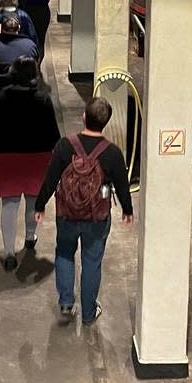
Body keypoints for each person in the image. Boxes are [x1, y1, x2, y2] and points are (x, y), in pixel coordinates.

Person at [35, 98, 133, 325]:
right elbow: (121, 184)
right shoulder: (112, 153)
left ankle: (67, 302)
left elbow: (50, 179)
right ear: (105, 123)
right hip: (96, 218)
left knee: (64, 253)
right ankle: (89, 312)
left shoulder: (64, 146)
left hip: (67, 213)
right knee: (91, 262)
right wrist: (127, 210)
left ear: (83, 117)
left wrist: (40, 205)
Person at [0, 57, 61, 271]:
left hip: (8, 157)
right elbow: (54, 134)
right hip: (37, 158)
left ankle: (9, 252)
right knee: (34, 201)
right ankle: (30, 237)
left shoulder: (1, 98)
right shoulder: (42, 99)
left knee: (9, 205)